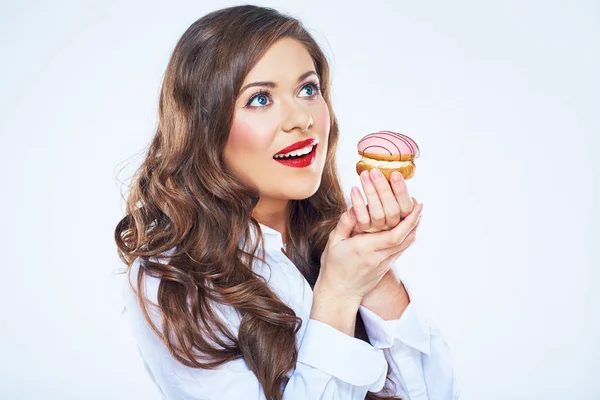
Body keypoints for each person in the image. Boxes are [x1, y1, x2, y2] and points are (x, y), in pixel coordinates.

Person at [114, 5, 459, 400]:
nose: (300, 118)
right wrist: (339, 294)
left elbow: (436, 393)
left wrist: (376, 275)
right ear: (204, 126)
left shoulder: (336, 240)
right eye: (260, 99)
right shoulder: (169, 278)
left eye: (308, 90)